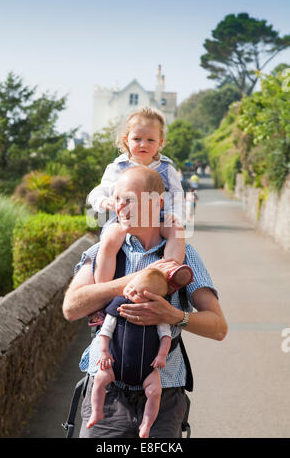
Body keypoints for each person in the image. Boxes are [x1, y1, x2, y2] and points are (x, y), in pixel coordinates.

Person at [63, 165, 228, 438]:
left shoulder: (185, 256)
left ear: (157, 202)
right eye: (117, 199)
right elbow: (72, 307)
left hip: (164, 393)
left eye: (129, 200)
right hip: (107, 394)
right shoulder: (101, 250)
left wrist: (173, 316)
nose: (120, 207)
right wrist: (135, 279)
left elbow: (218, 327)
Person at [88, 107, 191, 293]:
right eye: (137, 139)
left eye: (150, 140)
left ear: (160, 142)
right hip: (124, 221)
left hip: (157, 221)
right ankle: (102, 290)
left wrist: (175, 216)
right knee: (110, 240)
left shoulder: (166, 169)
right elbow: (98, 191)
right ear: (126, 139)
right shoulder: (118, 167)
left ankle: (169, 271)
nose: (143, 144)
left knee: (177, 231)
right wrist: (103, 201)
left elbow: (177, 197)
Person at [87, 267, 174, 438]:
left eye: (137, 293)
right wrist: (104, 353)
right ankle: (96, 412)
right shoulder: (119, 306)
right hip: (115, 365)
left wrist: (161, 356)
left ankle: (146, 424)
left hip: (147, 370)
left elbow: (166, 337)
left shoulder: (156, 314)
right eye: (131, 286)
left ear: (152, 299)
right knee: (99, 380)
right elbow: (105, 332)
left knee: (155, 393)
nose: (130, 292)